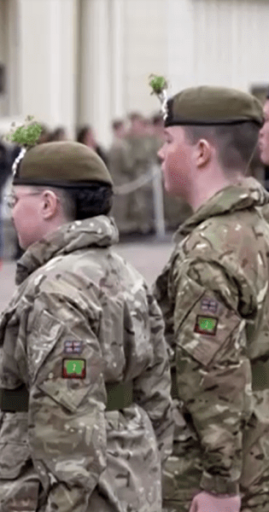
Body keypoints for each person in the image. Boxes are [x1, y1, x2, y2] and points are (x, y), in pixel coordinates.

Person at [0, 128, 173, 511]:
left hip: (78, 492)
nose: (11, 211)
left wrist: (65, 501)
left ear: (47, 204)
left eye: (15, 199)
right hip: (129, 474)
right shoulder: (125, 273)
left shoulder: (56, 288)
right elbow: (156, 393)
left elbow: (65, 416)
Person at [151, 84, 269, 512]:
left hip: (229, 466)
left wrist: (220, 484)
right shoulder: (258, 223)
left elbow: (212, 374)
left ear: (201, 152)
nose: (161, 154)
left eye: (168, 142)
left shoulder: (209, 251)